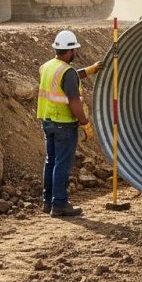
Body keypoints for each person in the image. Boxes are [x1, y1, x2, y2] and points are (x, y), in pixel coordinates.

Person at [37, 30, 104, 217]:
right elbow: (74, 99)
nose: (76, 52)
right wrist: (85, 123)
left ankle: (48, 202)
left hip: (48, 121)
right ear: (69, 51)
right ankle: (59, 204)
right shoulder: (67, 72)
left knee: (51, 162)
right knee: (62, 165)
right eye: (74, 49)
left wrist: (89, 70)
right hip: (64, 124)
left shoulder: (47, 66)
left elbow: (67, 79)